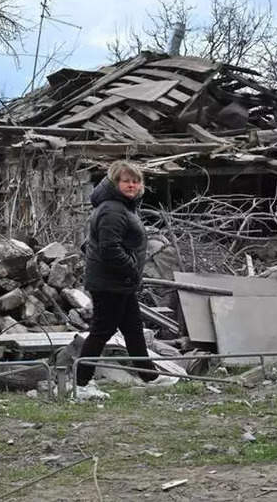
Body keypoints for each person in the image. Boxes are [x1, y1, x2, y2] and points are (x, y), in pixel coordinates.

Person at [76, 160, 158, 394]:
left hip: (119, 281)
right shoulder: (113, 209)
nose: (132, 185)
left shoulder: (123, 207)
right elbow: (109, 248)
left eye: (135, 181)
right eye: (126, 181)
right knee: (103, 330)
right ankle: (80, 382)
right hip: (110, 282)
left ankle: (150, 377)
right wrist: (132, 268)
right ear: (115, 182)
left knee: (133, 329)